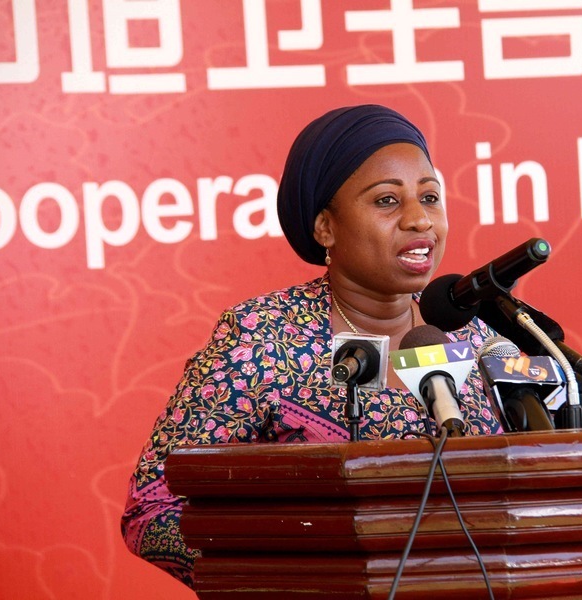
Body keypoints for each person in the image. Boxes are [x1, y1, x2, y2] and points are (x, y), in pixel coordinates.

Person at [120, 104, 504, 587]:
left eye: (430, 197)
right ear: (326, 227)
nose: (419, 220)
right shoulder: (263, 336)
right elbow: (153, 505)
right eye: (387, 200)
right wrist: (291, 579)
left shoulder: (478, 338)